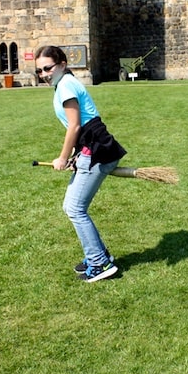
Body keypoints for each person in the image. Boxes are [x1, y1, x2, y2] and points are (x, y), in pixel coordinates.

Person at [35, 45, 126, 282]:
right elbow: (80, 127)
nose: (44, 74)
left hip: (96, 149)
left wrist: (63, 158)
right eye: (40, 71)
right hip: (90, 148)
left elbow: (75, 125)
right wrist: (76, 156)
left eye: (47, 68)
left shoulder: (65, 84)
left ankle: (100, 263)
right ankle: (98, 254)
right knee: (71, 207)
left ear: (62, 64)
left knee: (75, 208)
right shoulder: (63, 84)